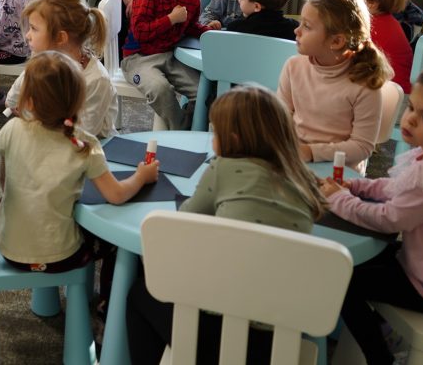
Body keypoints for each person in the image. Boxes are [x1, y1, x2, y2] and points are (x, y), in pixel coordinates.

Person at [127, 85, 327, 365]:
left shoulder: (222, 169)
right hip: (278, 344)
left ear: (233, 140)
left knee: (139, 294)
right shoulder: (304, 180)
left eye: (215, 133)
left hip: (212, 339)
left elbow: (184, 221)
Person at [322, 67, 423, 365]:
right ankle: (382, 331)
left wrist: (339, 198)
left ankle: (379, 355)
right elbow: (399, 188)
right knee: (359, 262)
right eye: (412, 107)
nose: (410, 119)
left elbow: (388, 219)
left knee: (341, 280)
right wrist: (357, 186)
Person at [0, 51, 158, 274]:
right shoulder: (84, 143)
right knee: (114, 242)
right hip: (58, 257)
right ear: (79, 101)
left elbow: (4, 183)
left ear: (29, 101)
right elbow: (116, 195)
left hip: (9, 248)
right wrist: (141, 176)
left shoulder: (11, 129)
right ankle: (108, 295)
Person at [278, 0, 392, 171]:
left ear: (336, 41)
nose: (296, 30)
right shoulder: (293, 66)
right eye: (300, 23)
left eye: (307, 26)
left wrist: (310, 152)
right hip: (297, 160)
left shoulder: (364, 83)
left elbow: (362, 147)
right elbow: (280, 119)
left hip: (340, 170)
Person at [121, 0, 210, 130]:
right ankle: (180, 132)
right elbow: (140, 32)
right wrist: (170, 19)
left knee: (203, 92)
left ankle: (189, 126)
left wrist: (210, 33)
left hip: (171, 55)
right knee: (160, 89)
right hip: (138, 58)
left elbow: (190, 27)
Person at [6, 0, 118, 138]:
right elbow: (12, 101)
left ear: (60, 38)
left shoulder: (96, 79)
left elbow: (83, 134)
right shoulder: (42, 60)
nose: (27, 35)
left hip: (93, 146)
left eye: (34, 29)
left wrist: (34, 116)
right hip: (52, 138)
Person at [350, 0, 414, 93]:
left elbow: (344, 60)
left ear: (372, 3)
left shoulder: (371, 26)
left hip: (390, 94)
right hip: (395, 89)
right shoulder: (386, 20)